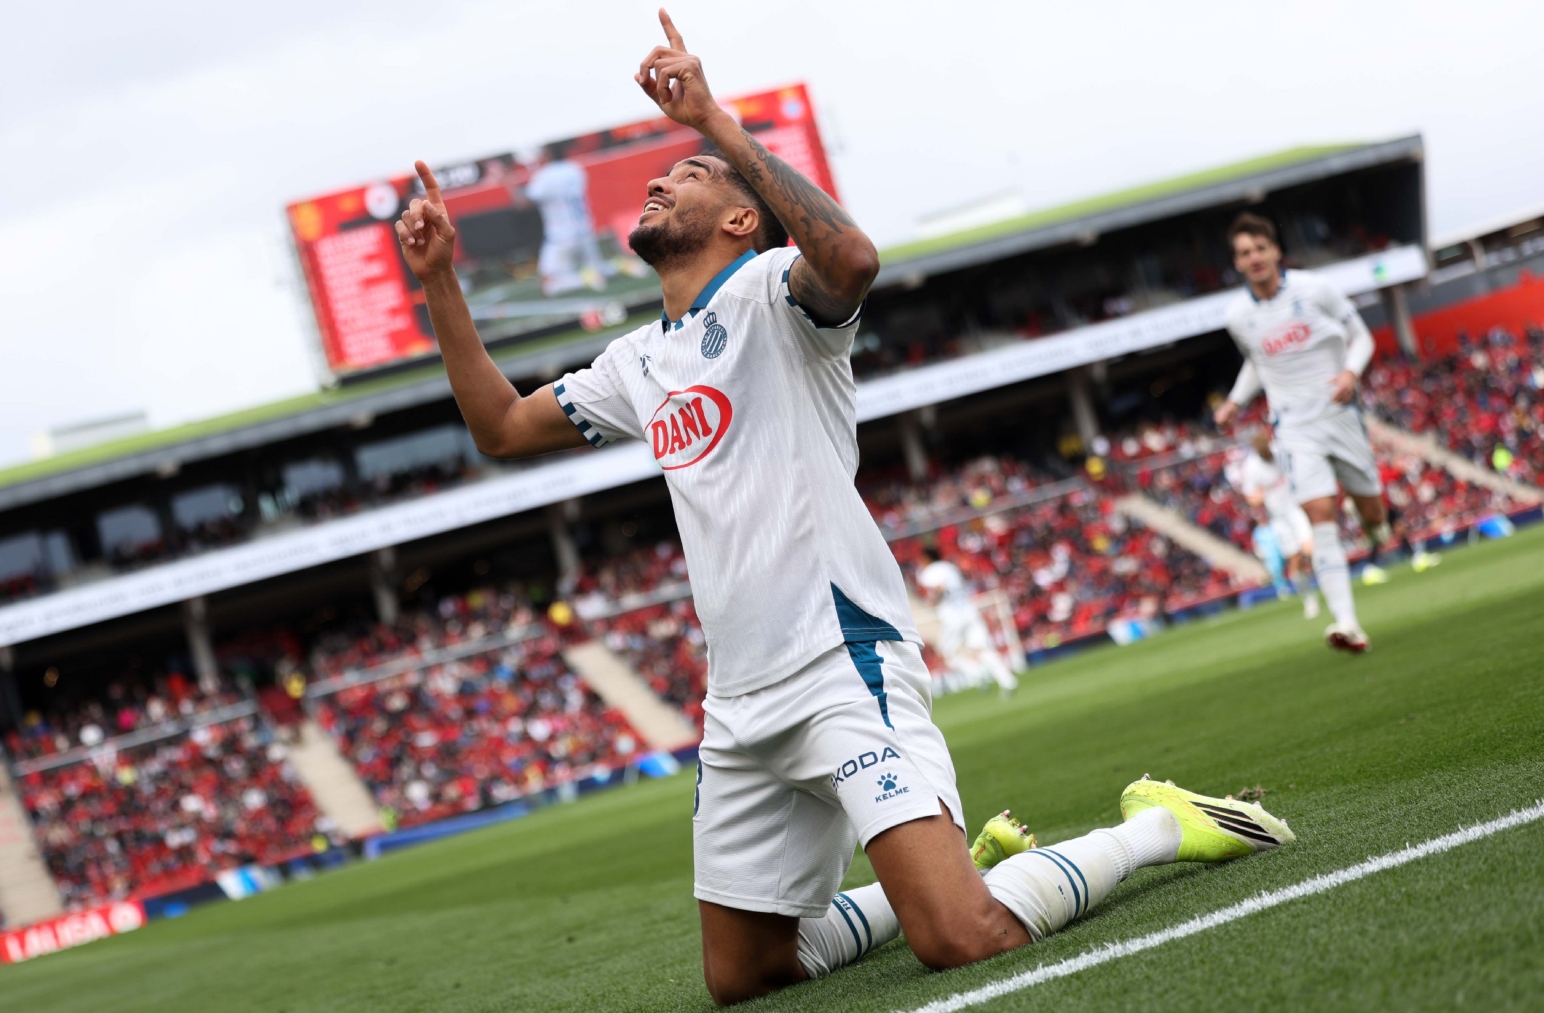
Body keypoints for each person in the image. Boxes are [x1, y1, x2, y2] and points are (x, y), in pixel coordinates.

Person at [392, 11, 1294, 1003]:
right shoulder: (637, 360)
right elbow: (502, 429)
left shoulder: (779, 292)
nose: (660, 180)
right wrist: (440, 285)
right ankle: (957, 860)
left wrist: (718, 125)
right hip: (740, 702)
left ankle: (1154, 822)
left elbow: (854, 259)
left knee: (962, 933)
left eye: (686, 178)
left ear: (743, 220)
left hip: (837, 660)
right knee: (746, 975)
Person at [1214, 212, 1388, 653]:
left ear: (1275, 251)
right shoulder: (1238, 316)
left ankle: (1376, 534)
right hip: (1292, 425)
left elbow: (1362, 338)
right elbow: (1258, 360)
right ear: (1236, 263)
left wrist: (1350, 372)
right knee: (1320, 515)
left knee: (1372, 512)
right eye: (1243, 253)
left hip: (1339, 411)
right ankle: (1347, 623)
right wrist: (1236, 400)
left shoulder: (1316, 289)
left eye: (1259, 248)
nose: (1253, 258)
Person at [1235, 432, 1321, 619]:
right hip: (1279, 518)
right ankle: (1309, 599)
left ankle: (1328, 584)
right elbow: (1251, 498)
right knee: (1294, 561)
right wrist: (1262, 494)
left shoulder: (1281, 451)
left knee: (1309, 548)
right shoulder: (1252, 468)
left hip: (1296, 508)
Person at [914, 556, 1017, 695]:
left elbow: (939, 589)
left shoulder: (929, 573)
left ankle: (977, 674)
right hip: (969, 611)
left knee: (948, 655)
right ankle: (1008, 681)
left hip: (952, 617)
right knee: (983, 648)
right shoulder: (950, 567)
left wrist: (932, 601)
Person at [525, 141, 612, 296]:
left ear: (549, 152)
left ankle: (584, 279)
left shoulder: (545, 176)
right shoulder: (575, 168)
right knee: (597, 268)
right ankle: (617, 266)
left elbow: (524, 203)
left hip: (560, 236)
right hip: (585, 229)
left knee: (549, 284)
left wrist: (507, 180)